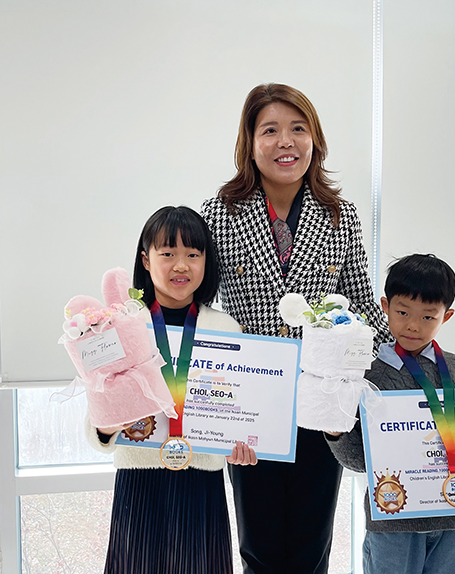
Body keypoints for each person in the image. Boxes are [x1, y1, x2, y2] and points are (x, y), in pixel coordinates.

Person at [201, 83, 391, 574]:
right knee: (259, 546)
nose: (285, 141)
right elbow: (195, 302)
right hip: (250, 403)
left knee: (311, 545)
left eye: (297, 129)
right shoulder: (219, 213)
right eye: (270, 130)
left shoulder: (338, 214)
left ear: (315, 140)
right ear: (250, 141)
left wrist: (413, 357)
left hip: (322, 401)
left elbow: (363, 306)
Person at [325, 254, 455, 574]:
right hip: (394, 518)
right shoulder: (367, 374)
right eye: (402, 312)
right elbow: (358, 462)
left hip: (454, 515)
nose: (413, 325)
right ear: (385, 306)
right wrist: (336, 433)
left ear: (447, 316)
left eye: (428, 316)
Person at [86, 206, 257, 574]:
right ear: (146, 260)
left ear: (206, 262)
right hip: (139, 481)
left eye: (193, 254)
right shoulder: (121, 324)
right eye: (168, 254)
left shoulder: (226, 328)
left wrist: (242, 445)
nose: (182, 265)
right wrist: (108, 424)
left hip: (202, 484)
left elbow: (239, 413)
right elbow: (96, 421)